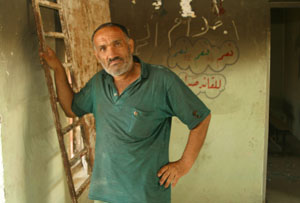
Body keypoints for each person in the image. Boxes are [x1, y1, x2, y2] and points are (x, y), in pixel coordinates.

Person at [40, 22, 211, 203]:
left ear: (130, 45)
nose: (111, 54)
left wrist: (183, 165)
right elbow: (71, 108)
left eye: (117, 44)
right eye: (103, 48)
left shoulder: (161, 80)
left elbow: (201, 118)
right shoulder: (99, 83)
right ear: (97, 55)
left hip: (146, 196)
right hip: (105, 195)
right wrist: (58, 69)